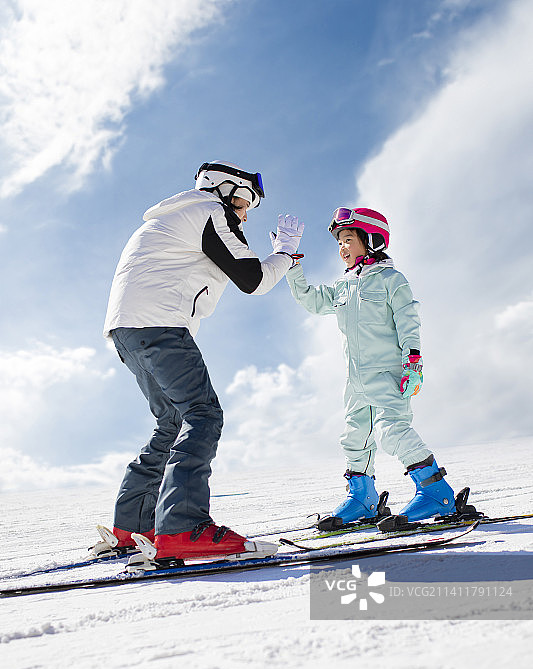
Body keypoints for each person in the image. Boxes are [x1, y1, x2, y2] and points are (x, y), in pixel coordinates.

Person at [96, 161, 304, 567]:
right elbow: (253, 279)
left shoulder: (173, 217)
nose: (245, 213)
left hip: (127, 331)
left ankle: (134, 527)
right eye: (244, 202)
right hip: (160, 326)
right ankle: (183, 527)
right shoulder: (208, 212)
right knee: (203, 415)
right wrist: (285, 255)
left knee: (171, 422)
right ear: (222, 190)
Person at [286, 206, 458, 525]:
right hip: (355, 382)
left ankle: (437, 493)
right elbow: (309, 299)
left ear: (372, 240)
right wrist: (290, 262)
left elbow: (408, 320)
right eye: (339, 242)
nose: (342, 248)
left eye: (348, 239)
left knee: (392, 431)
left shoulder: (391, 280)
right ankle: (362, 499)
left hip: (387, 375)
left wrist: (413, 361)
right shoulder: (343, 287)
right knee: (355, 438)